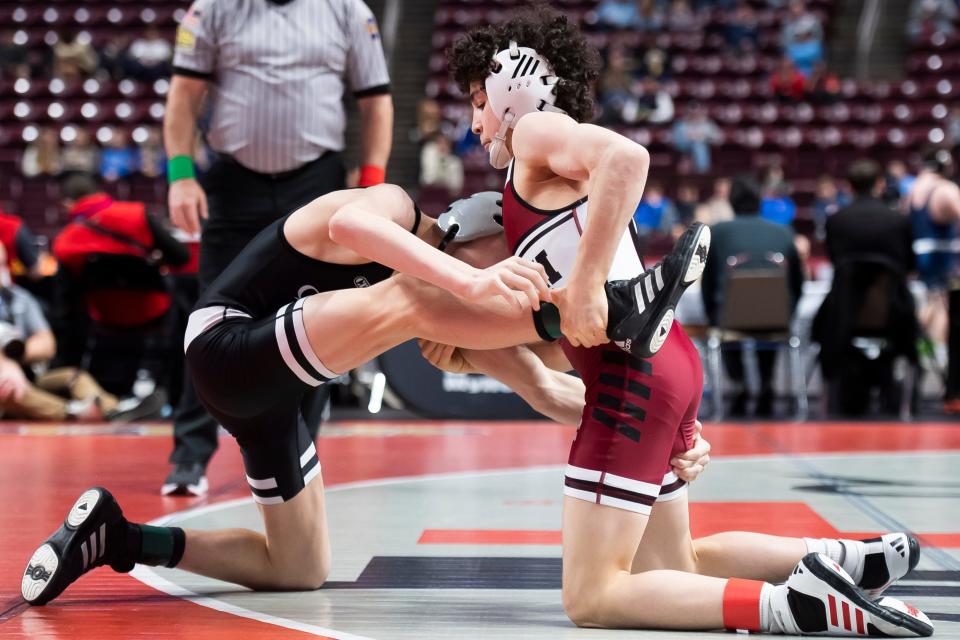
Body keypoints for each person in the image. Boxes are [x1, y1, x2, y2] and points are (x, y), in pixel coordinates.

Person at [444, 7, 930, 635]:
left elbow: (627, 158)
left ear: (515, 87)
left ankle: (797, 605)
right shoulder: (532, 167)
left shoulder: (538, 130)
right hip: (660, 364)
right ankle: (835, 561)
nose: (474, 121)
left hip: (630, 375)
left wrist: (586, 284)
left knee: (592, 596)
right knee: (679, 562)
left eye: (480, 101)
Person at [21, 180, 703, 607]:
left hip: (273, 394)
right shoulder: (398, 216)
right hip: (226, 345)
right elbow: (352, 229)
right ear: (481, 234)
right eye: (515, 263)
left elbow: (551, 392)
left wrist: (666, 438)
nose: (519, 280)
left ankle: (119, 537)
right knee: (413, 296)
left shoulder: (429, 303)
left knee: (296, 569)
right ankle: (616, 306)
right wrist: (473, 286)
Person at [163, 0, 395, 496]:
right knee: (207, 319)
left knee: (314, 320)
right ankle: (189, 455)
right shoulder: (213, 9)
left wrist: (372, 182)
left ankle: (297, 451)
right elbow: (184, 95)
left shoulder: (347, 10)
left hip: (314, 180)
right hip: (233, 181)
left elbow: (376, 101)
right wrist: (180, 174)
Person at [0, 243, 157, 422]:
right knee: (7, 388)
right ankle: (73, 412)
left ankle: (114, 410)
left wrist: (14, 355)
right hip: (7, 387)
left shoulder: (18, 299)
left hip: (28, 377)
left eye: (2, 264)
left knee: (74, 376)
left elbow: (47, 344)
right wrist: (4, 366)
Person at [813, 160, 917, 417]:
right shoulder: (898, 220)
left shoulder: (837, 221)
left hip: (845, 316)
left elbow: (837, 262)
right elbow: (910, 266)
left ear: (848, 187)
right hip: (892, 314)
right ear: (880, 184)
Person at [701, 175, 804, 417]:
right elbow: (797, 284)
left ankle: (740, 384)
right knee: (768, 315)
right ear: (760, 201)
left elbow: (708, 285)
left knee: (725, 314)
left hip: (730, 321)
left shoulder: (717, 233)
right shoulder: (785, 233)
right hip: (777, 319)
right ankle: (766, 383)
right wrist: (788, 313)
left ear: (731, 202)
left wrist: (712, 319)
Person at [907, 149, 960, 372]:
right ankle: (941, 356)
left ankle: (917, 340)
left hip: (920, 252)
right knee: (941, 305)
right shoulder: (945, 189)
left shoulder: (913, 189)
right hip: (941, 254)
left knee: (933, 301)